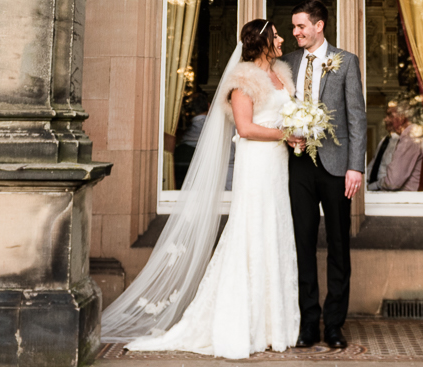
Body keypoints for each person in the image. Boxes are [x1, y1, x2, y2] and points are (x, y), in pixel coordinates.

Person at [99, 20, 299, 359]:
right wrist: (286, 135)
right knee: (252, 231)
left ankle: (274, 325)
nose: (282, 39)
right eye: (276, 35)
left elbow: (286, 113)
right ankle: (243, 323)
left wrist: (297, 127)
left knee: (275, 230)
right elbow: (246, 128)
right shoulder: (243, 82)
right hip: (257, 163)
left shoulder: (282, 74)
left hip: (278, 165)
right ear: (264, 42)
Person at [281, 0, 364, 352]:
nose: (295, 33)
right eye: (294, 27)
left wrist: (355, 166)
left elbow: (357, 116)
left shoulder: (346, 61)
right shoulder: (287, 63)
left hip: (335, 167)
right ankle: (307, 323)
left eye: (301, 26)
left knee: (338, 245)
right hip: (299, 164)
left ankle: (333, 324)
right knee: (301, 244)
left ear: (319, 26)